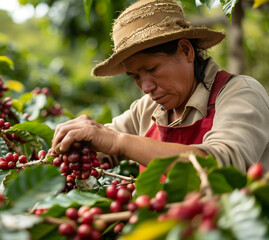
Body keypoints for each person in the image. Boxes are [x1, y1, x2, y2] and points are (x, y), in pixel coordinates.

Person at [51, 0, 269, 174]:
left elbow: (222, 164)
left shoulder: (240, 93)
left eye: (153, 69)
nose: (145, 87)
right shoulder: (146, 110)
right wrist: (74, 143)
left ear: (186, 51)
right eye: (135, 76)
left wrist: (120, 142)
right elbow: (100, 144)